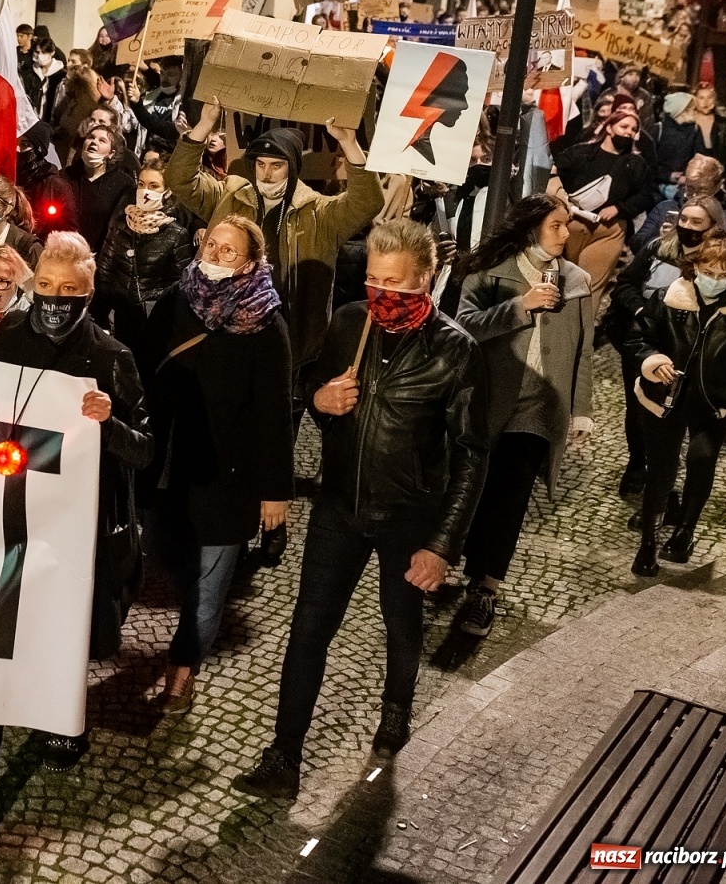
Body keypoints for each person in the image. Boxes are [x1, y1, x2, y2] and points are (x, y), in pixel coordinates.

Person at [233, 219, 488, 800]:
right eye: (373, 279)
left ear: (425, 279)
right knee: (308, 630)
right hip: (339, 507)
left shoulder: (456, 351)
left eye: (395, 283)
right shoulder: (351, 322)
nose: (381, 295)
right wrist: (322, 402)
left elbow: (472, 457)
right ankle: (284, 754)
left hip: (409, 516)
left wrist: (442, 545)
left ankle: (396, 708)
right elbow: (311, 391)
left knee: (401, 622)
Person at [0, 232, 151, 843]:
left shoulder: (112, 356)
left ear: (89, 291)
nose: (55, 301)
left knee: (58, 636)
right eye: (46, 289)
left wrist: (110, 427)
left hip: (72, 537)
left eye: (69, 291)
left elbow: (147, 449)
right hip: (4, 520)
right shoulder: (9, 339)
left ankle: (63, 718)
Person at [168, 107, 383, 562]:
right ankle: (230, 517)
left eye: (277, 166)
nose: (266, 174)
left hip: (293, 345)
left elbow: (365, 203)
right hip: (232, 341)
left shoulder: (318, 211)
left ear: (293, 168)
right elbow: (180, 179)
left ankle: (273, 524)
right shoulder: (231, 197)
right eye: (261, 165)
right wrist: (203, 127)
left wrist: (348, 143)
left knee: (276, 436)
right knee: (235, 435)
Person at [138, 216, 293, 715]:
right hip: (170, 471)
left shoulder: (267, 324)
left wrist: (275, 490)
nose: (216, 255)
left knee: (208, 590)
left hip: (230, 479)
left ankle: (181, 673)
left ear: (251, 262)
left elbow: (274, 414)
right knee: (173, 564)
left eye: (230, 251)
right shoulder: (175, 301)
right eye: (212, 245)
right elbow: (140, 374)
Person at [451, 195, 594, 638]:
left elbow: (583, 351)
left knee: (510, 495)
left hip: (538, 407)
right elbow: (462, 327)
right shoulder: (488, 272)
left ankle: (485, 586)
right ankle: (449, 557)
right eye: (557, 225)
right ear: (532, 227)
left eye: (567, 225)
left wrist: (582, 411)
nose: (565, 234)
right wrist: (521, 306)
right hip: (487, 400)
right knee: (474, 487)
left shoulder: (577, 281)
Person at [627, 237, 726, 575]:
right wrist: (653, 359)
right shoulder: (668, 298)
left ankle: (685, 531)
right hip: (666, 398)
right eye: (708, 270)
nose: (715, 278)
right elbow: (639, 337)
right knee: (661, 470)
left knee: (701, 460)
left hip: (715, 403)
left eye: (724, 273)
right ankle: (649, 545)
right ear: (694, 267)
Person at [609, 196, 726, 496]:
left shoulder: (717, 263)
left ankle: (662, 483)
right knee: (638, 409)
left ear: (713, 227)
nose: (687, 226)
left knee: (675, 419)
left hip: (686, 353)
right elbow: (624, 285)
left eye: (696, 222)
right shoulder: (658, 249)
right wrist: (642, 312)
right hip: (643, 343)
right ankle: (638, 465)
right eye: (683, 219)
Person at [550, 110, 656, 304]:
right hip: (570, 224)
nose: (628, 132)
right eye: (623, 127)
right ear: (609, 127)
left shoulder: (635, 164)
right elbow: (554, 172)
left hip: (607, 231)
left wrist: (619, 208)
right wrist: (562, 201)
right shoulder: (582, 153)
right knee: (559, 281)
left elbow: (645, 196)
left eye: (633, 129)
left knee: (588, 287)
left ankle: (582, 332)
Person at [95, 161, 194, 347]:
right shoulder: (120, 224)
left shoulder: (176, 234)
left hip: (152, 326)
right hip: (119, 322)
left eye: (154, 186)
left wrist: (148, 302)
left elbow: (178, 287)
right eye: (141, 184)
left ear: (168, 192)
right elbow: (104, 274)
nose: (145, 190)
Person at [635, 155, 726, 249]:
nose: (695, 195)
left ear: (717, 187)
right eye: (690, 188)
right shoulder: (666, 207)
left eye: (702, 190)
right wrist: (660, 237)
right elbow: (636, 243)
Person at [61, 123, 136, 253]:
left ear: (111, 154)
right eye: (91, 137)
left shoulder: (123, 184)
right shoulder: (65, 176)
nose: (94, 142)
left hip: (99, 257)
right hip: (63, 252)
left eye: (102, 140)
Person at [20, 37, 65, 123]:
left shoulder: (61, 75)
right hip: (32, 119)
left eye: (44, 52)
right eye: (37, 52)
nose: (40, 55)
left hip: (51, 119)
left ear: (52, 53)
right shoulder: (29, 73)